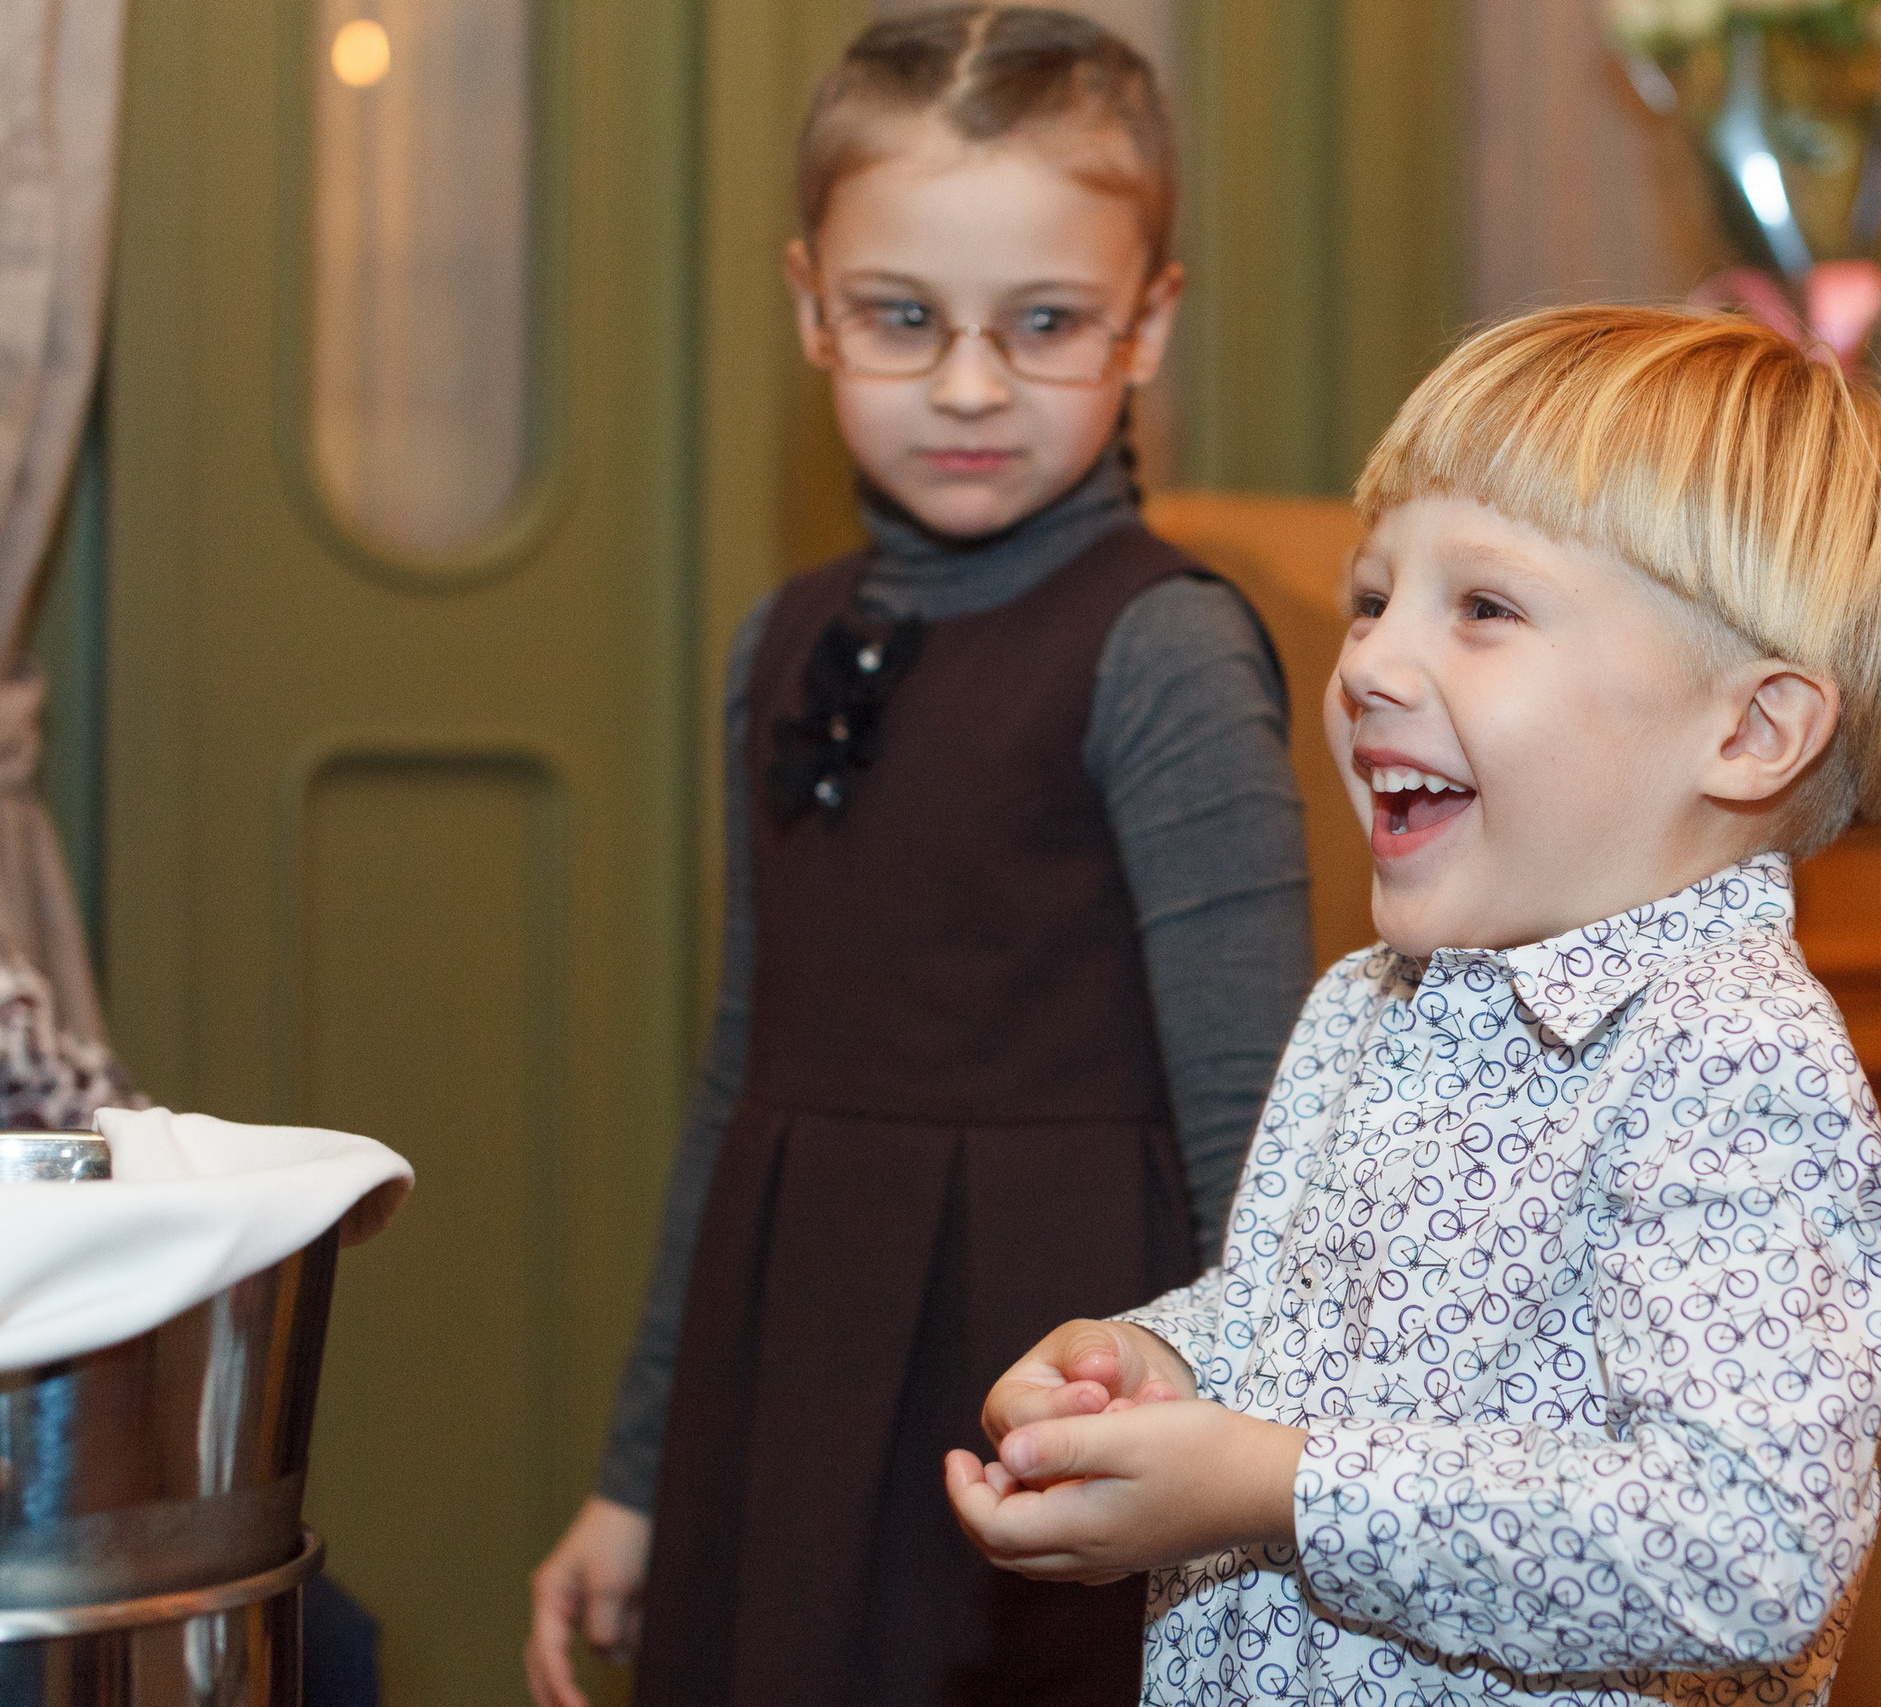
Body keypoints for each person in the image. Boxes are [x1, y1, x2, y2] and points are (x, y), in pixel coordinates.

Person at [949, 305, 1881, 1704]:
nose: (1368, 662)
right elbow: (1317, 1320)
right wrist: (1157, 1360)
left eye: (1483, 608)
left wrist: (1279, 1487)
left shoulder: (1731, 1066)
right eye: (1373, 598)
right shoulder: (1370, 1006)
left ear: (1749, 732)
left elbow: (1748, 1545)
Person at [523, 10, 1312, 1706]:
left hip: (1054, 1403)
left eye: (1043, 324)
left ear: (1149, 319)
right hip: (788, 1369)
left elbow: (1266, 1134)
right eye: (903, 319)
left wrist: (1247, 1479)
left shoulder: (1162, 650)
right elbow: (744, 1069)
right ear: (810, 303)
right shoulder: (778, 641)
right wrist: (639, 1476)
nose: (969, 385)